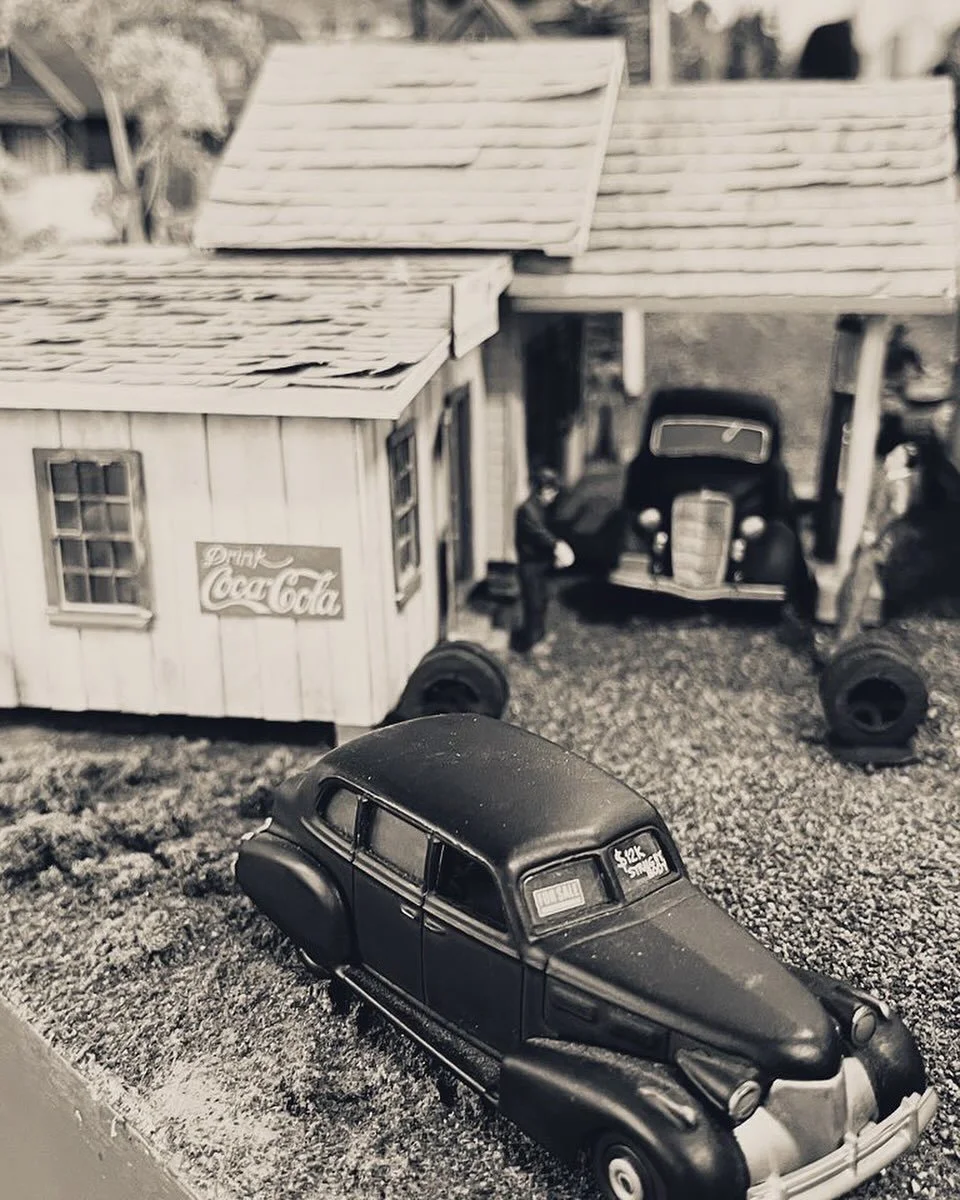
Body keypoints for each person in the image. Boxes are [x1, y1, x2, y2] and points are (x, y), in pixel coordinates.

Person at [513, 467, 575, 655]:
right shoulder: (527, 510)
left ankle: (539, 636)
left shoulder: (538, 508)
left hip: (539, 563)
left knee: (542, 600)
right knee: (533, 603)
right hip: (530, 564)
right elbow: (539, 534)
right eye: (551, 491)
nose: (552, 496)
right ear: (542, 489)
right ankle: (532, 643)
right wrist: (556, 545)